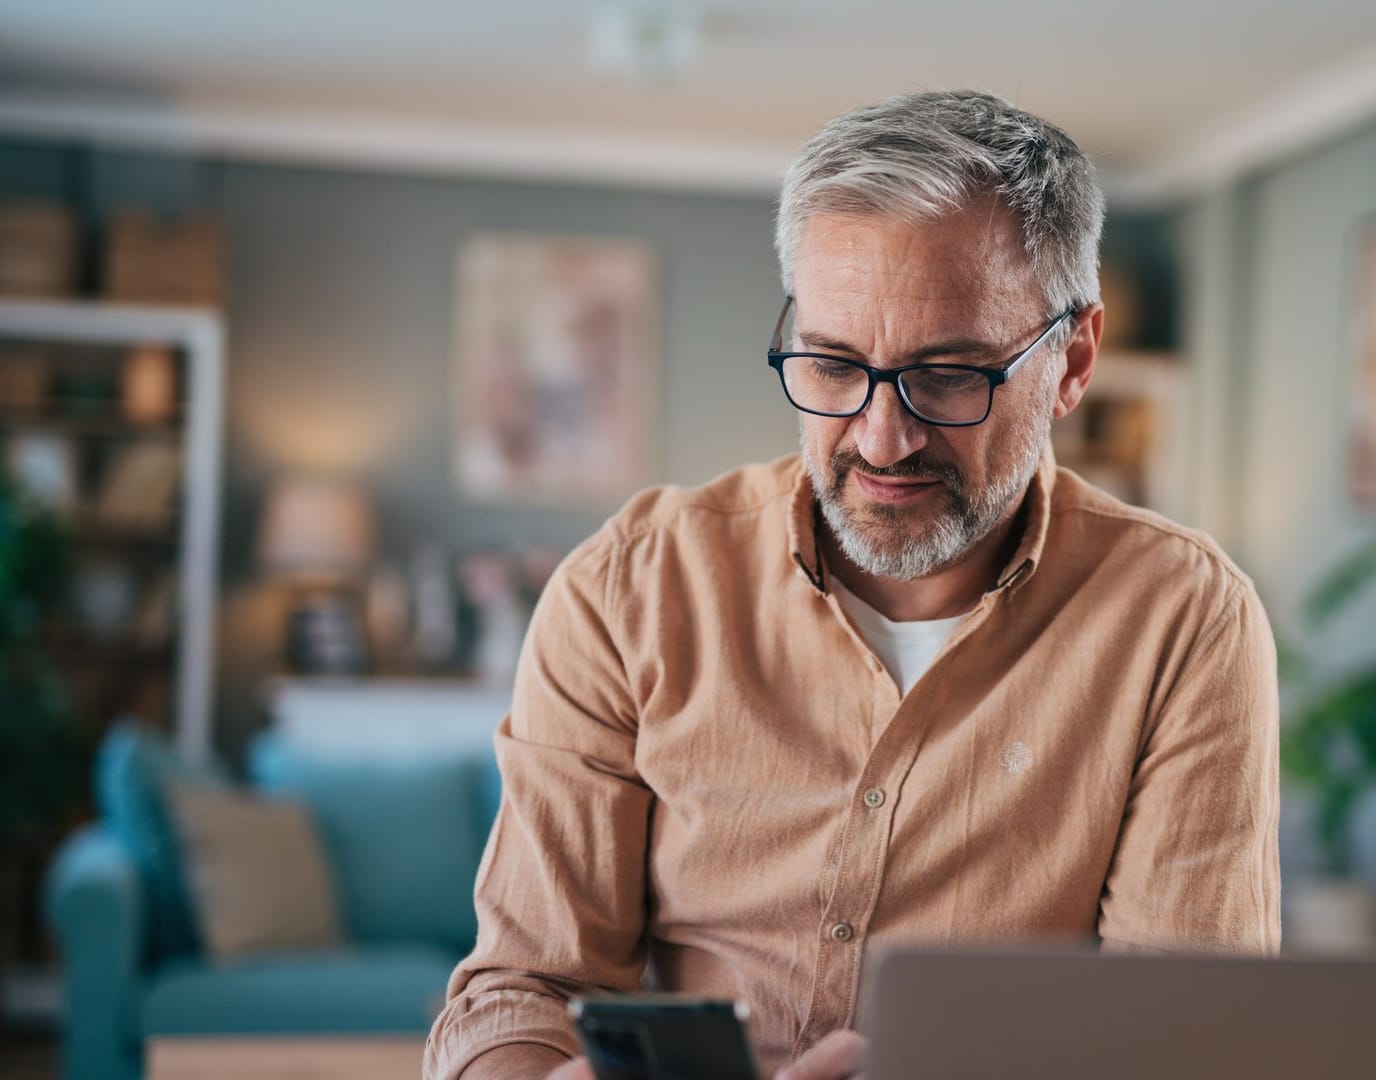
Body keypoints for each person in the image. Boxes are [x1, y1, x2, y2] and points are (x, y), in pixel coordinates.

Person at [423, 89, 1281, 1080]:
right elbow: (522, 989)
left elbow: (1181, 1038)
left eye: (951, 374)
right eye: (833, 365)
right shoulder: (628, 591)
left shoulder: (1181, 619)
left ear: (1074, 359)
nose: (883, 439)